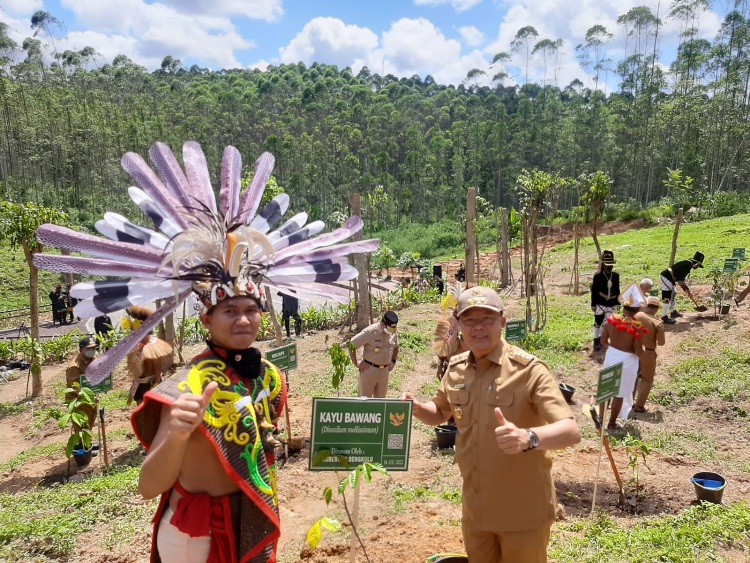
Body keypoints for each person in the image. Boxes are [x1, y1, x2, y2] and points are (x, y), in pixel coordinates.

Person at [402, 286, 580, 562]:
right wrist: (417, 408)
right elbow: (439, 412)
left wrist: (528, 437)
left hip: (522, 513)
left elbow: (570, 430)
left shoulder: (529, 370)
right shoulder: (457, 367)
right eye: (470, 320)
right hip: (476, 512)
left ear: (503, 322)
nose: (479, 327)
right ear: (459, 325)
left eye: (487, 318)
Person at [599, 283, 647, 428]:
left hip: (611, 356)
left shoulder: (611, 321)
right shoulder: (636, 327)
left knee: (607, 389)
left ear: (623, 307)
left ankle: (601, 419)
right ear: (637, 310)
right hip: (628, 361)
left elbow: (602, 341)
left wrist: (614, 349)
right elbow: (639, 351)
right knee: (619, 393)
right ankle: (612, 422)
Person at [125, 306, 174, 406]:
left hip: (151, 384)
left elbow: (158, 368)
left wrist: (155, 385)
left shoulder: (154, 346)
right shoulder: (138, 345)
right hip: (140, 384)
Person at [348, 311, 399, 398]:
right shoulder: (370, 332)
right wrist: (356, 363)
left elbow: (396, 346)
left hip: (385, 371)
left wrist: (393, 361)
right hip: (369, 370)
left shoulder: (392, 332)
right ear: (383, 324)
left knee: (381, 401)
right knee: (364, 400)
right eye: (390, 328)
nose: (391, 331)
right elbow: (351, 345)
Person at [633, 296, 666, 413]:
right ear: (656, 309)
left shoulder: (637, 316)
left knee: (633, 377)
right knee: (647, 380)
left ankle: (629, 402)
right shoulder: (657, 322)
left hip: (633, 350)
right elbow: (661, 342)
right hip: (648, 352)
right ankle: (639, 406)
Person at [659, 251, 704, 324]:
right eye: (698, 265)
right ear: (696, 262)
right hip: (666, 278)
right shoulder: (687, 266)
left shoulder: (687, 264)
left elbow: (680, 279)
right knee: (667, 296)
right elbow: (680, 281)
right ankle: (664, 316)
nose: (697, 267)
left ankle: (673, 312)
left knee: (674, 293)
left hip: (670, 278)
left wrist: (687, 290)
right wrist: (687, 291)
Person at [65, 336, 99, 430]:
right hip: (79, 401)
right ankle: (81, 445)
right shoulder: (75, 367)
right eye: (88, 349)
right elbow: (76, 387)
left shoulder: (94, 358)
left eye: (94, 348)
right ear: (81, 349)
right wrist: (90, 397)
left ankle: (88, 443)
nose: (92, 350)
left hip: (91, 398)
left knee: (90, 423)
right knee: (81, 429)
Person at [590, 250, 620, 351]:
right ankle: (596, 340)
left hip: (611, 302)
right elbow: (594, 291)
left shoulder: (616, 276)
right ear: (603, 264)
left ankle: (603, 338)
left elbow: (617, 289)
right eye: (607, 264)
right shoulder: (597, 276)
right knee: (598, 321)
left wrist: (618, 302)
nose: (609, 266)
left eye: (611, 264)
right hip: (600, 302)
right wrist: (593, 304)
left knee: (608, 322)